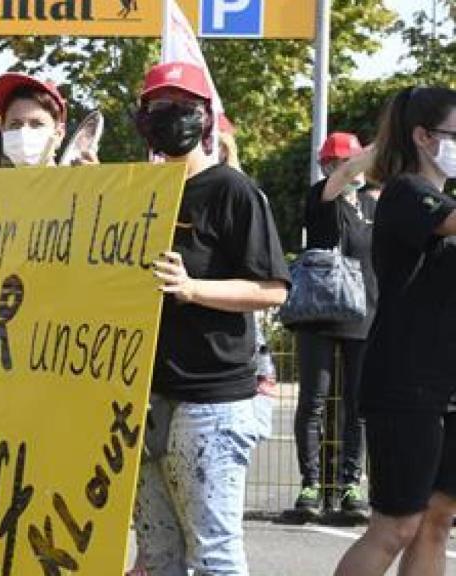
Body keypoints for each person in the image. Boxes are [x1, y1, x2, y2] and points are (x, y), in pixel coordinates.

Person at [130, 62, 290, 576]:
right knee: (157, 557)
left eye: (183, 106)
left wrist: (193, 288)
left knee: (215, 553)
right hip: (144, 399)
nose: (171, 116)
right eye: (158, 106)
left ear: (205, 118)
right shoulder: (137, 191)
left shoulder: (232, 191)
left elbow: (272, 289)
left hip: (213, 400)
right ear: (142, 119)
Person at [334, 86, 456, 576]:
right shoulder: (408, 192)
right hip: (405, 386)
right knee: (395, 525)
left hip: (447, 385)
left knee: (437, 519)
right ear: (424, 137)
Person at [290, 132, 376, 521]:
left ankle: (349, 484)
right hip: (320, 314)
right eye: (333, 163)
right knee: (314, 401)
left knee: (359, 405)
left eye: (346, 162)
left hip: (365, 315)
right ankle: (311, 484)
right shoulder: (322, 197)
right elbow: (339, 182)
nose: (341, 169)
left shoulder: (375, 206)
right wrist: (378, 147)